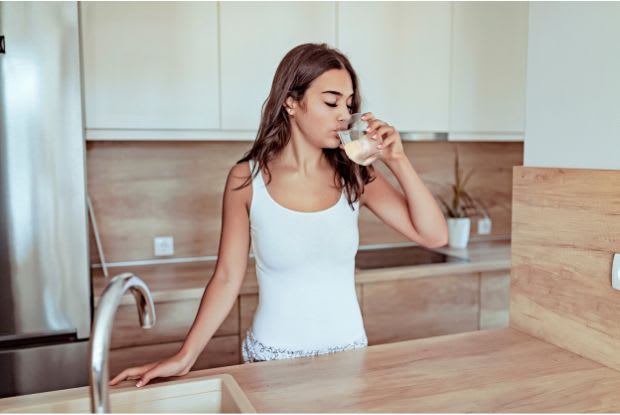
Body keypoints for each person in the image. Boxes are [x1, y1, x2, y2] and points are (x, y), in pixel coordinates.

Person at [110, 43, 448, 388]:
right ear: (291, 102)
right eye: (331, 102)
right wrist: (185, 356)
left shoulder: (356, 176)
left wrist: (397, 160)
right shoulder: (246, 179)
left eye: (348, 104)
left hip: (349, 359)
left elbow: (435, 236)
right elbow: (227, 276)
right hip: (271, 362)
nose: (343, 115)